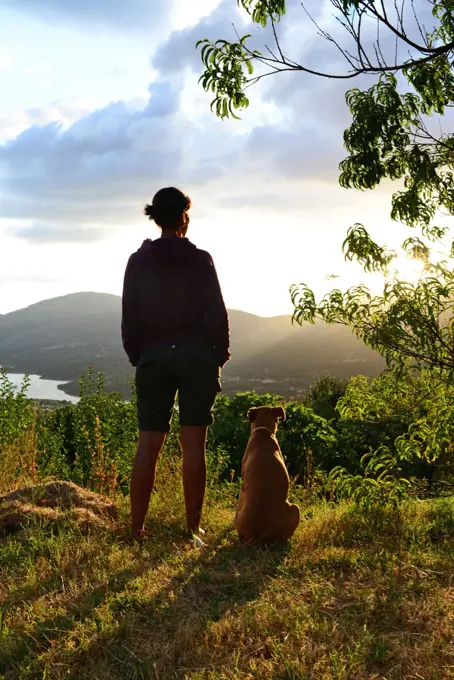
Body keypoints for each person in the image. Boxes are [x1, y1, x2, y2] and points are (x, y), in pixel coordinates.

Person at [121, 187, 230, 543]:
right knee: (194, 443)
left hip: (153, 357)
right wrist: (220, 353)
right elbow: (216, 312)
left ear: (155, 217)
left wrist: (141, 356)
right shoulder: (200, 259)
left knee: (148, 445)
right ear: (184, 215)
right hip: (197, 355)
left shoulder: (138, 261)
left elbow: (130, 317)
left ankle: (137, 530)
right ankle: (193, 528)